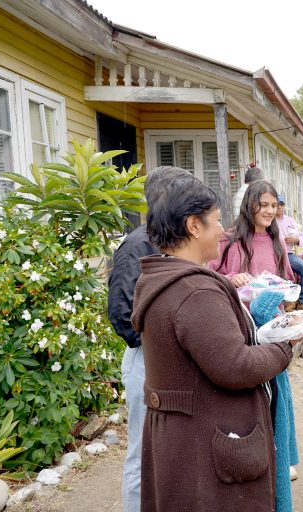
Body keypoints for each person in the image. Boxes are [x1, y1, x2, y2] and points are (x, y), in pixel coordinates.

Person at [131, 177, 296, 512]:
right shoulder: (195, 292)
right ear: (194, 226)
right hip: (204, 448)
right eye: (217, 220)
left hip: (181, 439)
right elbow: (235, 366)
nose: (222, 230)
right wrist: (286, 344)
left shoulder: (162, 278)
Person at [107, 165, 194, 512]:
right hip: (146, 360)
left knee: (172, 450)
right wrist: (160, 337)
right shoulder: (137, 244)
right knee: (142, 453)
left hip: (174, 359)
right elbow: (120, 312)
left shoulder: (177, 240)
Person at [209, 180, 299, 512]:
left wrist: (284, 297)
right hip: (238, 330)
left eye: (274, 205)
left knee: (278, 397)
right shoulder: (228, 240)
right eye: (263, 204)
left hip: (271, 331)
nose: (269, 211)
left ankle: (279, 457)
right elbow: (208, 277)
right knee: (250, 400)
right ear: (249, 205)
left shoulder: (277, 241)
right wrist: (231, 279)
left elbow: (288, 283)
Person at [275, 194, 303, 315]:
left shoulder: (290, 221)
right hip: (275, 253)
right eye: (276, 204)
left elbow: (301, 238)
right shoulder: (269, 221)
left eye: (281, 204)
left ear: (284, 206)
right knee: (281, 275)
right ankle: (284, 305)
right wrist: (281, 240)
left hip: (289, 254)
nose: (279, 207)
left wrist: (296, 239)